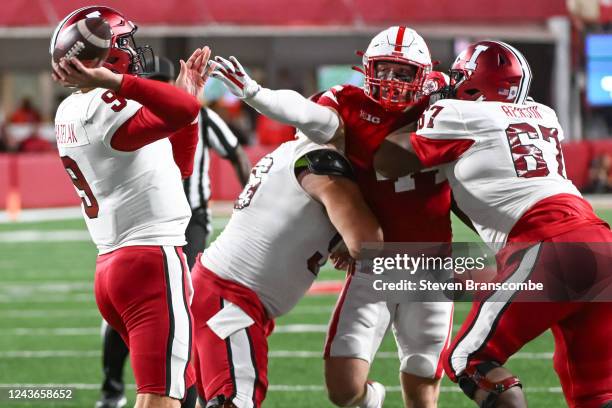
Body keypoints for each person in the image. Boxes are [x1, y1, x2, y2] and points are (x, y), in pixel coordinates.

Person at [212, 26, 454, 408]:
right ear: (366, 68)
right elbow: (306, 113)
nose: (391, 81)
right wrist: (257, 95)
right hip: (374, 262)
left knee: (422, 383)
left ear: (423, 75)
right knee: (343, 390)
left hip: (431, 260)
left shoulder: (447, 109)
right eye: (384, 69)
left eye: (403, 72)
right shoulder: (349, 105)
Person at [407, 40, 612, 408]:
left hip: (550, 244)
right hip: (601, 242)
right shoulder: (544, 114)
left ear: (473, 83)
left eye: (459, 79)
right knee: (597, 394)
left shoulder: (455, 113)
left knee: (469, 361)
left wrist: (425, 102)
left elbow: (398, 159)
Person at [51, 6, 213, 408]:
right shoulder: (106, 104)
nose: (134, 51)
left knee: (183, 385)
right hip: (149, 261)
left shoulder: (71, 108)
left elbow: (180, 166)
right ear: (102, 56)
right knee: (161, 397)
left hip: (114, 268)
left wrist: (185, 106)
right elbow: (184, 111)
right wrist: (119, 81)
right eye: (124, 44)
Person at [96, 55, 251, 408]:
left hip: (187, 218)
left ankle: (178, 393)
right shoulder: (130, 116)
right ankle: (113, 388)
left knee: (179, 310)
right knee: (151, 311)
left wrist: (247, 200)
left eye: (165, 83)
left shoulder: (201, 116)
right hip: (143, 228)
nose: (163, 89)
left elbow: (235, 154)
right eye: (156, 83)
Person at [191, 133, 383, 408]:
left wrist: (337, 239)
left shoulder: (288, 150)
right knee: (233, 402)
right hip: (230, 299)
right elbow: (367, 244)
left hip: (217, 291)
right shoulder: (322, 161)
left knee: (219, 398)